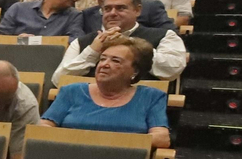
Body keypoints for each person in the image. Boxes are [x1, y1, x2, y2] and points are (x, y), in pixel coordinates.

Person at [40, 36, 170, 151]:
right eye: (102, 59)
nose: (104, 65)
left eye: (115, 61)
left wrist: (106, 143)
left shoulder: (151, 97)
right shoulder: (71, 91)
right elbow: (43, 126)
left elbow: (162, 138)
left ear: (135, 70)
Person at [53, 0, 188, 83]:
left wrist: (129, 44)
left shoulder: (165, 36)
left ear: (137, 10)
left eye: (120, 8)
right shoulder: (83, 42)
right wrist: (92, 51)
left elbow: (172, 70)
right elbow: (59, 80)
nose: (112, 13)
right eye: (107, 9)